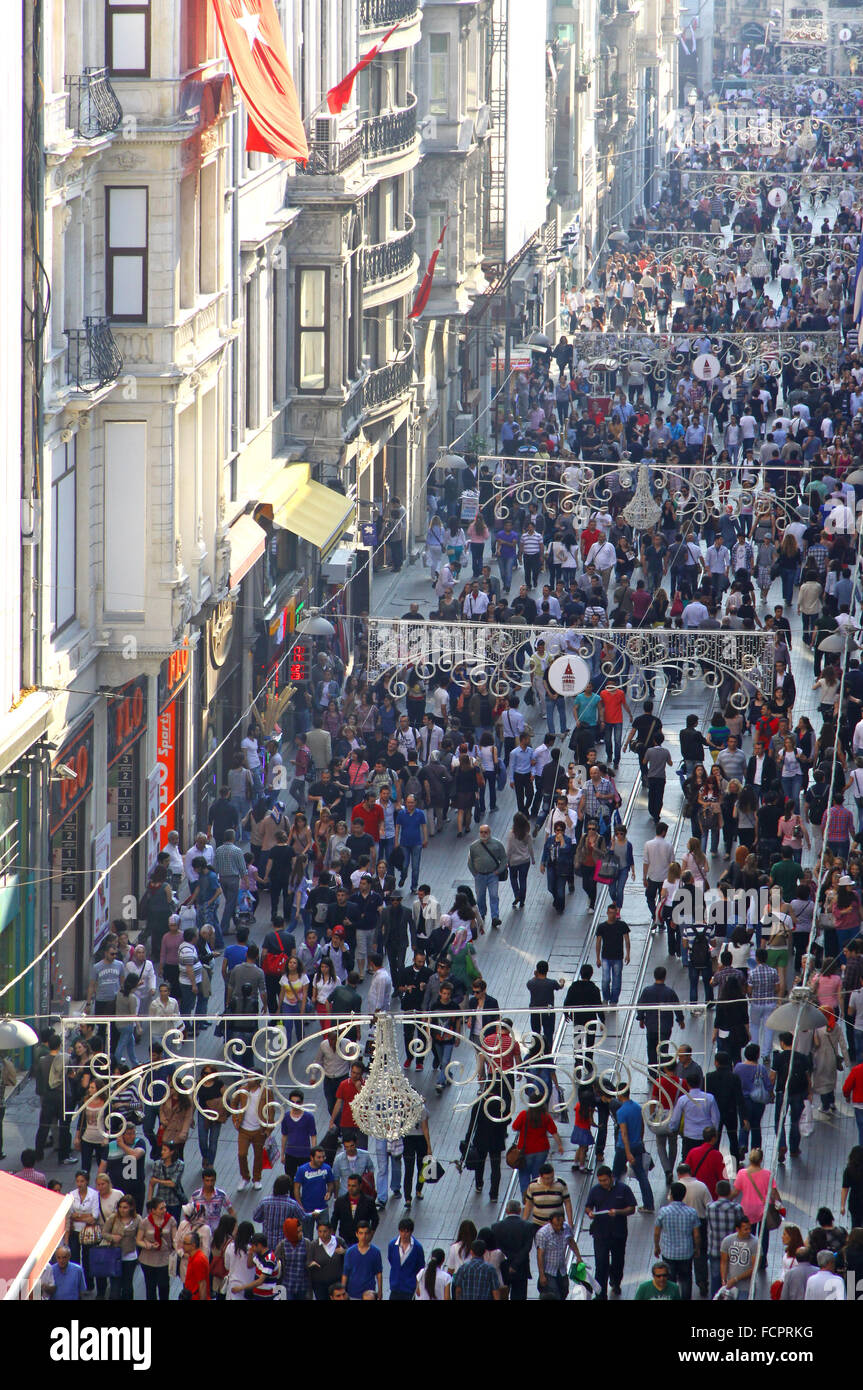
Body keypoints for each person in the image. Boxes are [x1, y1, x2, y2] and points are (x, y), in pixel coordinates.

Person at [584, 1165, 636, 1300]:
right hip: (600, 1233)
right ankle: (600, 1294)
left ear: (612, 1177)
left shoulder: (623, 1189)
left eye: (605, 1180)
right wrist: (589, 1212)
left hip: (618, 1233)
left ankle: (616, 1281)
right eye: (600, 1180)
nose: (602, 1183)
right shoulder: (595, 1190)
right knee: (601, 1264)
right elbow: (588, 1205)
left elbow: (631, 1209)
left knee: (618, 1261)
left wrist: (618, 1212)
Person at [654, 1182, 701, 1301]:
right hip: (686, 1253)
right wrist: (697, 1248)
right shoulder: (691, 1212)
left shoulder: (663, 1212)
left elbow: (656, 1232)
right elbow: (696, 1234)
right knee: (686, 1279)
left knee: (669, 1280)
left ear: (671, 1195)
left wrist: (656, 1246)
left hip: (668, 1253)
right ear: (684, 1195)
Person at [611, 1084, 654, 1212]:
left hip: (624, 1148)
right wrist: (640, 1141)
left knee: (615, 1175)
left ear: (620, 1094)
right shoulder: (637, 1107)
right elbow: (641, 1126)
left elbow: (623, 1133)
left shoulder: (621, 1112)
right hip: (637, 1145)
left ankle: (612, 1202)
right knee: (642, 1176)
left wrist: (628, 1153)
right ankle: (649, 1204)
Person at [535, 1211, 581, 1300]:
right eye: (556, 1225)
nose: (559, 1227)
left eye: (561, 1224)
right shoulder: (543, 1233)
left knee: (564, 1291)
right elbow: (540, 1255)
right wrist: (541, 1275)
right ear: (550, 1223)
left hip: (561, 1269)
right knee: (554, 1294)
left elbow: (571, 1242)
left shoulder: (566, 1227)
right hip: (549, 1271)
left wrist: (578, 1257)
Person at [718, 1214, 759, 1301]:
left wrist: (736, 1279)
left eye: (749, 1228)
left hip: (746, 1287)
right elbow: (724, 1262)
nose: (748, 1231)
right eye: (745, 1229)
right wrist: (723, 1280)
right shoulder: (727, 1241)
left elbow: (755, 1267)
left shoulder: (755, 1243)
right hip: (730, 1287)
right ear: (737, 1229)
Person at [386, 1217, 425, 1300]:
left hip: (409, 1288)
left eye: (407, 1232)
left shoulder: (417, 1248)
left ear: (411, 1232)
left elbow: (421, 1267)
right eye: (402, 1231)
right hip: (395, 1286)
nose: (404, 1234)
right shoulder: (392, 1245)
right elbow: (391, 1260)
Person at [342, 1221, 383, 1299]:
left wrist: (380, 1291)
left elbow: (379, 1273)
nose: (364, 1236)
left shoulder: (376, 1252)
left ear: (370, 1234)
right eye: (361, 1233)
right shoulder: (350, 1252)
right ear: (356, 1234)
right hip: (353, 1292)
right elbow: (345, 1273)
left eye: (366, 1233)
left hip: (369, 1293)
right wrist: (343, 1292)